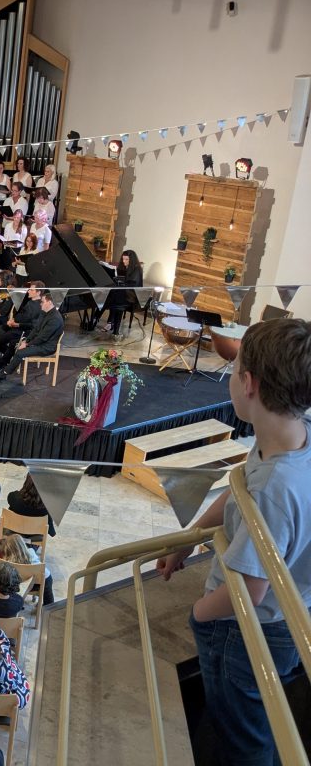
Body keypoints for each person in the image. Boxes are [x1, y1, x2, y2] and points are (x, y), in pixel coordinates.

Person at [155, 318, 311, 765]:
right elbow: (240, 482)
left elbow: (249, 589)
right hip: (289, 611)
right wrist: (188, 540)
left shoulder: (276, 489)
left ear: (248, 384)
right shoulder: (289, 435)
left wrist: (199, 617)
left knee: (242, 735)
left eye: (234, 367)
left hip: (246, 631)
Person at [0, 289, 64, 380]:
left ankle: (4, 373)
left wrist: (27, 344)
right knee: (15, 343)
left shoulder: (55, 319)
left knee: (20, 353)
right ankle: (4, 364)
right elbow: (35, 329)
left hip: (47, 347)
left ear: (49, 302)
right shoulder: (45, 313)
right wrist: (26, 340)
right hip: (41, 341)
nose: (40, 304)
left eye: (42, 302)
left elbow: (43, 337)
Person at [0, 533, 53, 606]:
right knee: (49, 602)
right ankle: (47, 608)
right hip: (41, 582)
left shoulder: (9, 562)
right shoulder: (31, 552)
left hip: (23, 584)